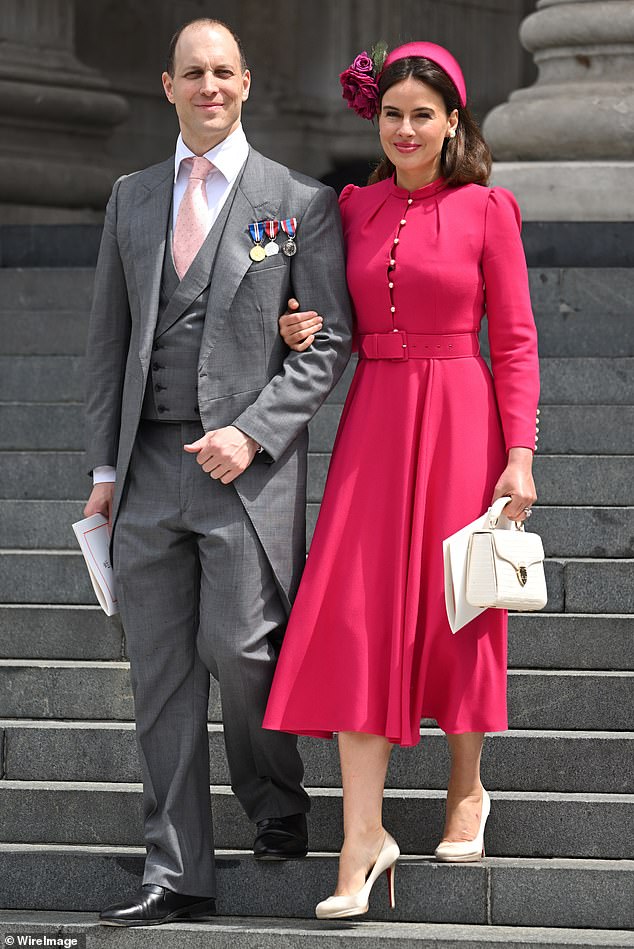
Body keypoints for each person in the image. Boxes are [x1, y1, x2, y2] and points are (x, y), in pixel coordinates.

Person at [83, 18, 352, 927]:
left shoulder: (300, 202)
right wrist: (103, 470)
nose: (209, 86)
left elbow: (330, 345)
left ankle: (275, 801)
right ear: (168, 86)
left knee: (240, 649)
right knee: (157, 671)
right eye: (192, 73)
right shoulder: (130, 196)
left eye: (223, 72)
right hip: (148, 465)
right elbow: (107, 343)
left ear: (247, 82)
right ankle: (176, 870)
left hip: (244, 468)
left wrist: (254, 431)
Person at [263, 41, 540, 919]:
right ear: (375, 122)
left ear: (453, 120)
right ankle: (362, 838)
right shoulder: (349, 207)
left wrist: (521, 453)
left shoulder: (488, 209)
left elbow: (518, 342)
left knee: (456, 605)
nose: (408, 128)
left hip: (463, 416)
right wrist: (299, 325)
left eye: (424, 114)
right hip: (375, 418)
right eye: (393, 114)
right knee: (356, 614)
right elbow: (327, 315)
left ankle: (467, 785)